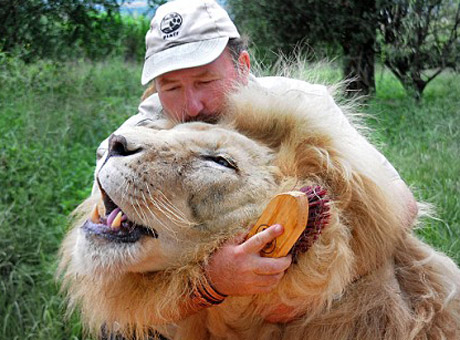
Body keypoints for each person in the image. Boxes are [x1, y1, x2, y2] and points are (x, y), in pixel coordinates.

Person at [96, 0, 418, 326]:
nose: (191, 106)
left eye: (205, 81)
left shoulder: (302, 104)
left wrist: (311, 293)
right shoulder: (130, 142)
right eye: (172, 87)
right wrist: (211, 283)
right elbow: (110, 295)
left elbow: (402, 204)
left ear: (243, 66)